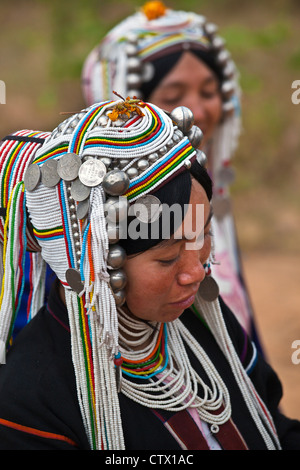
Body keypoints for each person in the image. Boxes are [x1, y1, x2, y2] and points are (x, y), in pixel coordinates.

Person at [0, 98, 299, 450]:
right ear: (95, 264)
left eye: (202, 234)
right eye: (168, 258)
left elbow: (276, 431)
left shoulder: (202, 325)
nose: (196, 272)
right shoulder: (30, 401)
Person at [81, 1, 259, 346]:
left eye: (209, 92)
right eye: (173, 97)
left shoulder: (205, 194)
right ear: (128, 109)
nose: (197, 110)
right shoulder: (97, 223)